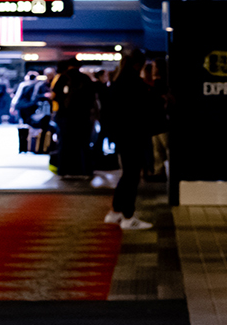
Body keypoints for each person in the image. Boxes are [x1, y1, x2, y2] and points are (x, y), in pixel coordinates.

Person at [100, 50, 163, 230]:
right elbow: (145, 110)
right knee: (132, 176)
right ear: (139, 64)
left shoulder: (117, 82)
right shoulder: (135, 84)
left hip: (121, 135)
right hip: (134, 135)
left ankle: (116, 212)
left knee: (127, 174)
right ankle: (128, 216)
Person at [50, 59, 97, 178]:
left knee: (64, 144)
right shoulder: (85, 79)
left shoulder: (63, 78)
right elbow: (92, 98)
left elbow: (54, 96)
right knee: (84, 144)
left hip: (65, 116)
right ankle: (87, 171)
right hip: (83, 116)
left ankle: (64, 170)